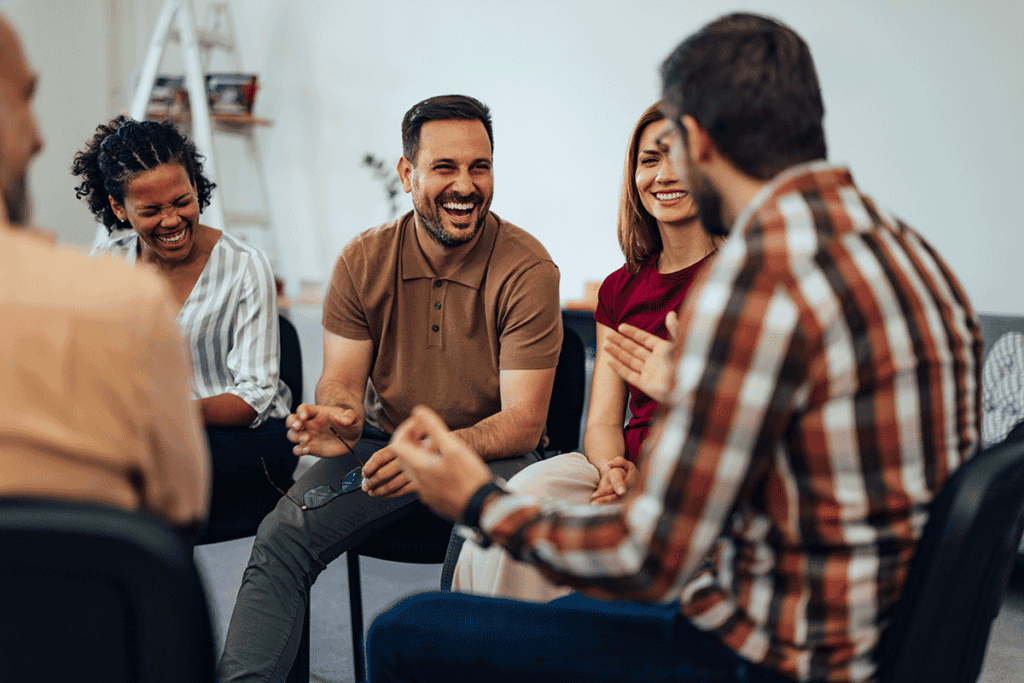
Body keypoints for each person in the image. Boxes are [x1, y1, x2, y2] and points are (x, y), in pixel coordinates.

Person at [368, 13, 982, 683]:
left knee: (407, 630)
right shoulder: (913, 254)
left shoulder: (757, 283)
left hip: (768, 656)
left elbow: (645, 555)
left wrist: (480, 501)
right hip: (885, 644)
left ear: (696, 140)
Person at [217, 94, 562, 682]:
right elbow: (343, 383)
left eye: (479, 167)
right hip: (382, 446)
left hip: (496, 456)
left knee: (476, 552)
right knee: (282, 537)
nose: (466, 185)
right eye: (445, 168)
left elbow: (522, 422)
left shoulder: (527, 269)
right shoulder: (362, 260)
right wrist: (339, 415)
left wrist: (427, 452)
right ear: (408, 174)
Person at [453, 102, 719, 601]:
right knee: (515, 507)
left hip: (699, 487)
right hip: (622, 472)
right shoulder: (621, 287)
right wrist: (614, 467)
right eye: (649, 160)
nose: (664, 175)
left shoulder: (744, 282)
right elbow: (601, 421)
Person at [0, 14, 208, 531]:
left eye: (180, 201)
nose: (39, 138)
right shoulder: (124, 300)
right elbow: (181, 507)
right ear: (119, 209)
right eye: (25, 99)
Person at [72, 116, 293, 541]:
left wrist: (165, 413)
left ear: (196, 185)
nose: (172, 220)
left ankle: (159, 600)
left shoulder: (245, 266)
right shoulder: (105, 267)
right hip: (146, 436)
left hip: (244, 437)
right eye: (151, 210)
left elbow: (253, 397)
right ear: (119, 209)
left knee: (148, 477)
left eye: (182, 200)